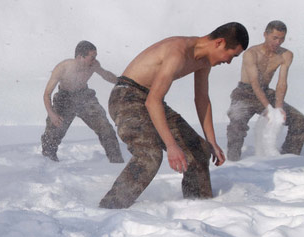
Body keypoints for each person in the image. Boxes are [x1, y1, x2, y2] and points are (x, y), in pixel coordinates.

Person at [99, 23, 249, 209]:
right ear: (219, 42)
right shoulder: (178, 52)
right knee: (150, 155)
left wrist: (211, 141)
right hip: (126, 96)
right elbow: (153, 102)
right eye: (232, 55)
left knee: (199, 151)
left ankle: (198, 208)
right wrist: (171, 145)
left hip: (150, 98)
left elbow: (202, 99)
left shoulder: (204, 61)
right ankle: (109, 208)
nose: (228, 62)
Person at [226, 21, 304, 160]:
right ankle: (233, 162)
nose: (278, 42)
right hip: (244, 93)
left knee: (299, 120)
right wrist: (268, 108)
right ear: (265, 35)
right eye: (274, 38)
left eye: (282, 38)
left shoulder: (286, 55)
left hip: (266, 91)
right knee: (236, 125)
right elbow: (255, 83)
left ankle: (289, 158)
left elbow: (282, 83)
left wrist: (278, 108)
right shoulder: (251, 53)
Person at [40, 41, 124, 163]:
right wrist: (52, 114)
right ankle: (48, 162)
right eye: (92, 57)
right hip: (64, 98)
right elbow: (47, 94)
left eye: (95, 57)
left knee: (105, 128)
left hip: (84, 96)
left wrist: (121, 81)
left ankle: (117, 162)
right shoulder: (63, 68)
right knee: (53, 133)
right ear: (80, 57)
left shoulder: (94, 65)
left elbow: (105, 75)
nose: (94, 60)